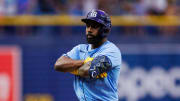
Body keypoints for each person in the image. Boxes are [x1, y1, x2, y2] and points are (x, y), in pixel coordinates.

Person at [54, 9, 122, 101]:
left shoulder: (111, 50)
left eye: (94, 26)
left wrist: (71, 67)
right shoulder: (80, 49)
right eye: (87, 26)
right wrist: (85, 62)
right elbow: (58, 65)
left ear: (105, 29)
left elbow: (86, 71)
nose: (89, 29)